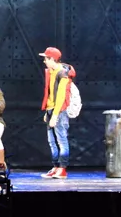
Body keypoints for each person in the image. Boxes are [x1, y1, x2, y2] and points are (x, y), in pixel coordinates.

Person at [39, 46, 76, 179]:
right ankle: (55, 167)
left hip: (59, 111)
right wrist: (47, 111)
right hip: (51, 110)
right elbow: (50, 94)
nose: (44, 61)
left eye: (46, 58)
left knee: (61, 140)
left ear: (52, 59)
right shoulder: (51, 72)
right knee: (52, 141)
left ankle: (62, 168)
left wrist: (55, 115)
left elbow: (61, 97)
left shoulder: (62, 73)